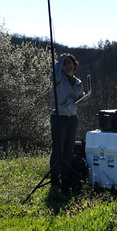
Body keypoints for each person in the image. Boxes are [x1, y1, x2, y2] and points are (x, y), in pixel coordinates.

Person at [50, 52, 89, 186]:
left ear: (74, 64)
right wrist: (59, 61)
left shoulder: (78, 82)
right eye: (64, 64)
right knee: (58, 150)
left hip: (72, 118)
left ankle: (65, 177)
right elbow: (53, 75)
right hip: (58, 117)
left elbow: (79, 99)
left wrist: (84, 98)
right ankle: (54, 180)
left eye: (69, 63)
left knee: (68, 150)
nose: (67, 66)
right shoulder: (58, 78)